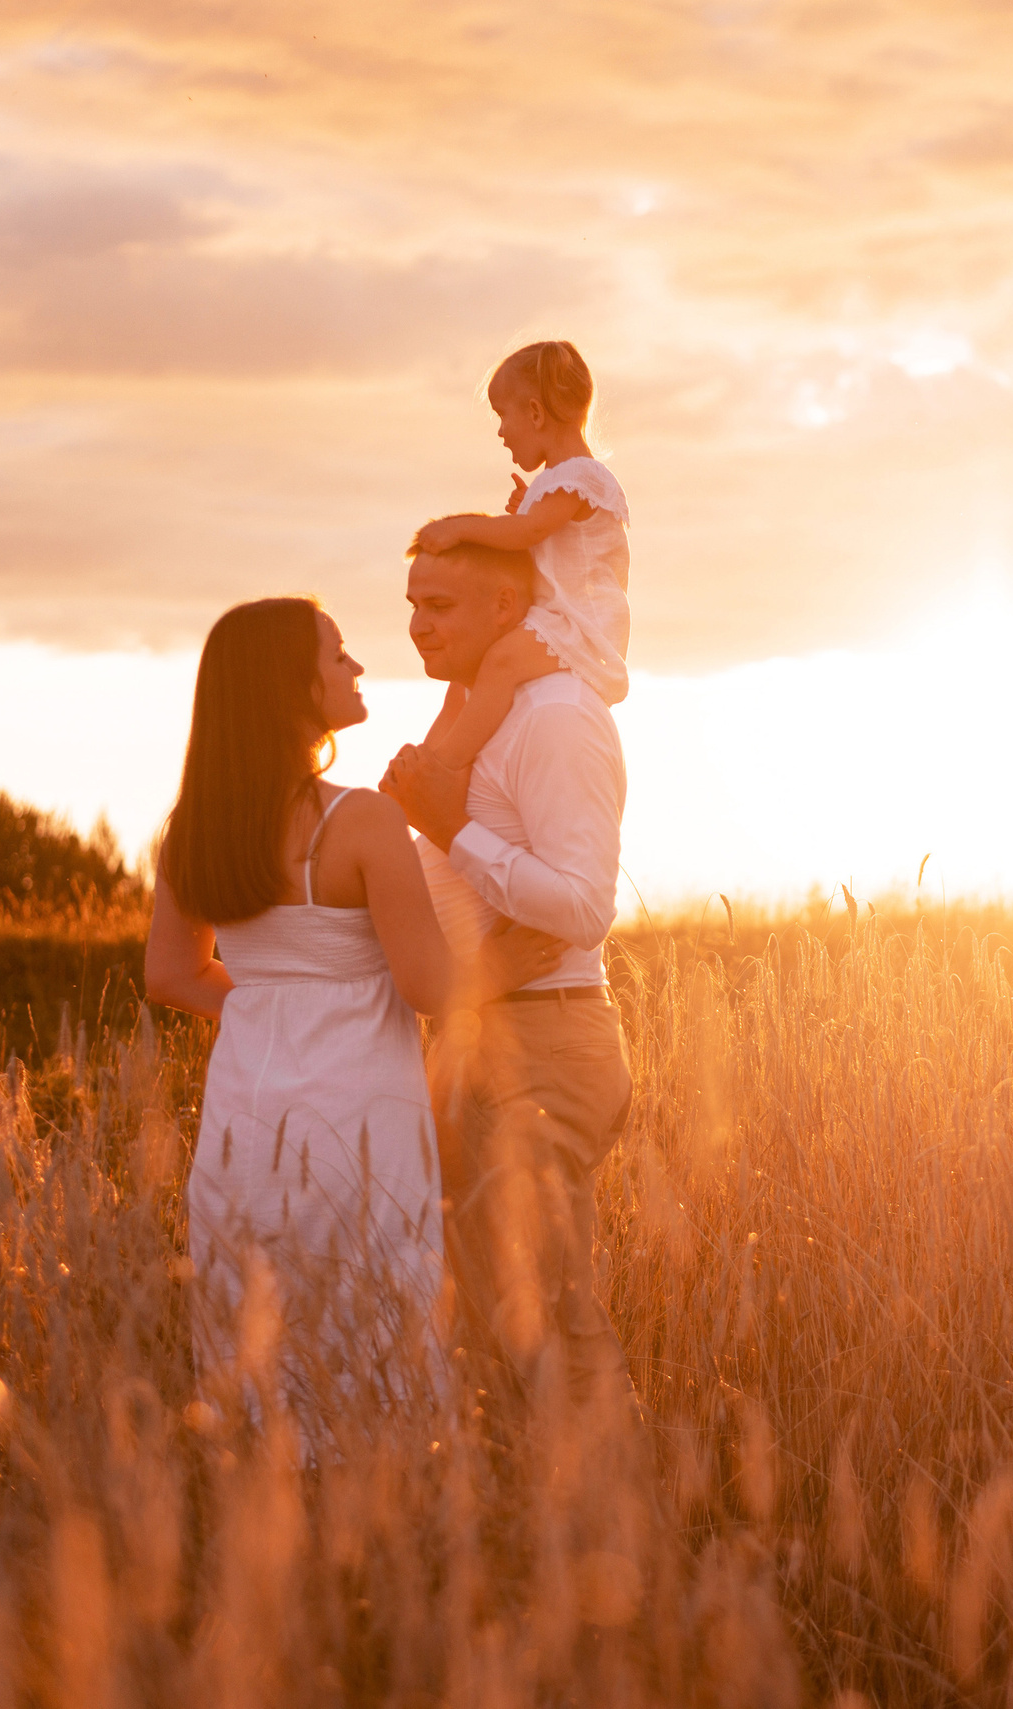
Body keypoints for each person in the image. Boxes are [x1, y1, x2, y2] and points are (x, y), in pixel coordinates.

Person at [144, 595, 561, 1428]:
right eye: (338, 655)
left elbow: (171, 975)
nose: (357, 666)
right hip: (357, 1130)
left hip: (244, 1135)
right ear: (291, 687)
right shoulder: (361, 819)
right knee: (370, 1353)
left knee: (261, 1360)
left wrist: (272, 1003)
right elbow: (430, 987)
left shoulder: (192, 830)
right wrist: (515, 955)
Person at [383, 539, 634, 1424]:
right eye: (412, 603)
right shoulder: (483, 718)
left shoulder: (557, 716)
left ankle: (617, 1546)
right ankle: (534, 1545)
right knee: (491, 1335)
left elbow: (581, 906)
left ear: (505, 610)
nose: (417, 625)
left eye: (440, 605)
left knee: (551, 1329)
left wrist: (451, 830)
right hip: (486, 1037)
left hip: (541, 1040)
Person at [408, 340, 630, 771]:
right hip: (552, 616)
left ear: (534, 413)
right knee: (466, 678)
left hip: (576, 623)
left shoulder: (581, 475)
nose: (500, 430)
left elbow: (527, 532)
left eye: (502, 415)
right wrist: (532, 501)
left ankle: (449, 763)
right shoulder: (560, 484)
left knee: (501, 662)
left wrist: (459, 528)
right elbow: (545, 534)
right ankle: (433, 754)